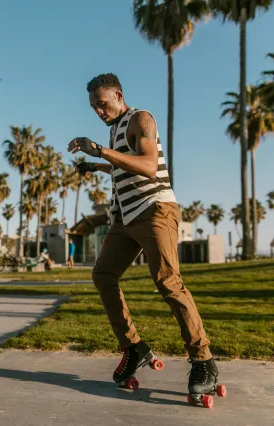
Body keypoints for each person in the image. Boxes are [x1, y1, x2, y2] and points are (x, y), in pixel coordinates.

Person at [67, 73, 218, 398]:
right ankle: (133, 347)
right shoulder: (114, 129)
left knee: (167, 281)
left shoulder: (141, 118)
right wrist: (95, 167)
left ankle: (203, 359)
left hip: (155, 210)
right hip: (125, 219)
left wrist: (102, 153)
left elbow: (149, 165)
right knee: (103, 275)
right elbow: (126, 165)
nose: (98, 111)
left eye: (102, 104)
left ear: (118, 95)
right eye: (93, 106)